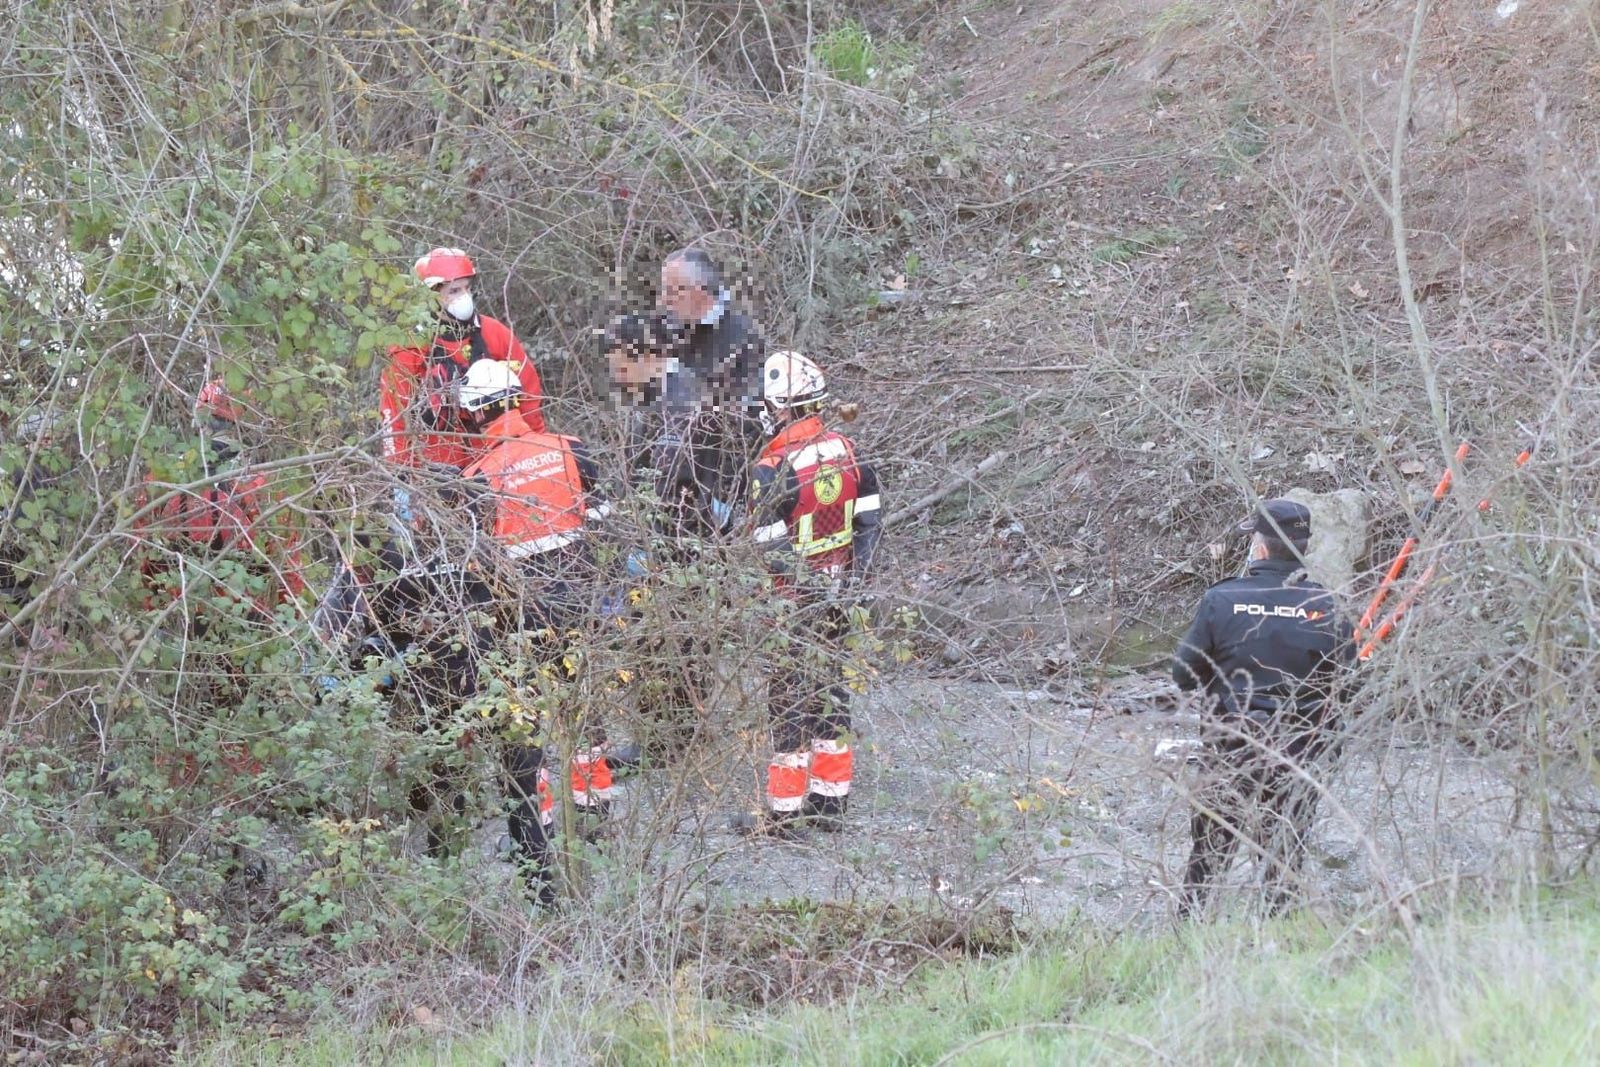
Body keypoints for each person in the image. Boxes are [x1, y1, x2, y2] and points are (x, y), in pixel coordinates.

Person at [457, 359, 617, 905]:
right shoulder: (571, 449)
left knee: (526, 722)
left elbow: (474, 570)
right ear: (519, 401)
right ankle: (594, 812)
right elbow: (608, 526)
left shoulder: (476, 480)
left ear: (475, 412)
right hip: (578, 601)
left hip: (519, 617)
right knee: (580, 708)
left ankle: (540, 828)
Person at [1171, 498, 1357, 916]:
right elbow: (1349, 686)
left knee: (1206, 866)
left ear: (1258, 547)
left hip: (1230, 752)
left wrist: (1220, 683)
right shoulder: (1329, 607)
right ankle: (1281, 953)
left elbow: (1182, 673)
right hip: (1296, 756)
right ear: (1303, 549)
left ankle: (1188, 947)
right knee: (1283, 870)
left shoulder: (1223, 601)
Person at [740, 351, 882, 835]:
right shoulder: (849, 449)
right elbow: (869, 525)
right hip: (838, 592)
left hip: (790, 603)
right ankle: (831, 800)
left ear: (781, 407)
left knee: (786, 701)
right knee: (830, 689)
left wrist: (803, 591)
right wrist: (850, 587)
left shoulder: (771, 469)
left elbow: (770, 546)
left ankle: (783, 813)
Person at [380, 247, 546, 471]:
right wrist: (400, 472)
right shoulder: (409, 346)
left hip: (496, 464)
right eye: (454, 290)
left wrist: (535, 445)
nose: (464, 297)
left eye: (467, 288)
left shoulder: (493, 333)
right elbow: (394, 415)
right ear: (430, 296)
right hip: (438, 471)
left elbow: (529, 394)